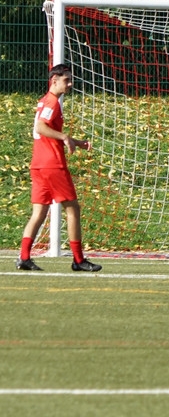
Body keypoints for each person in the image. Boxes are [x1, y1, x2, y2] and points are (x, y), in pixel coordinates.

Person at [18, 64, 102, 272]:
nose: (70, 84)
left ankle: (24, 258)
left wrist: (77, 142)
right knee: (73, 209)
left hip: (38, 164)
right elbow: (41, 127)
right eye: (67, 80)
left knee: (39, 212)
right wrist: (64, 137)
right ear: (54, 80)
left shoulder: (44, 101)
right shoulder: (52, 102)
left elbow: (46, 131)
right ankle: (78, 260)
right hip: (52, 165)